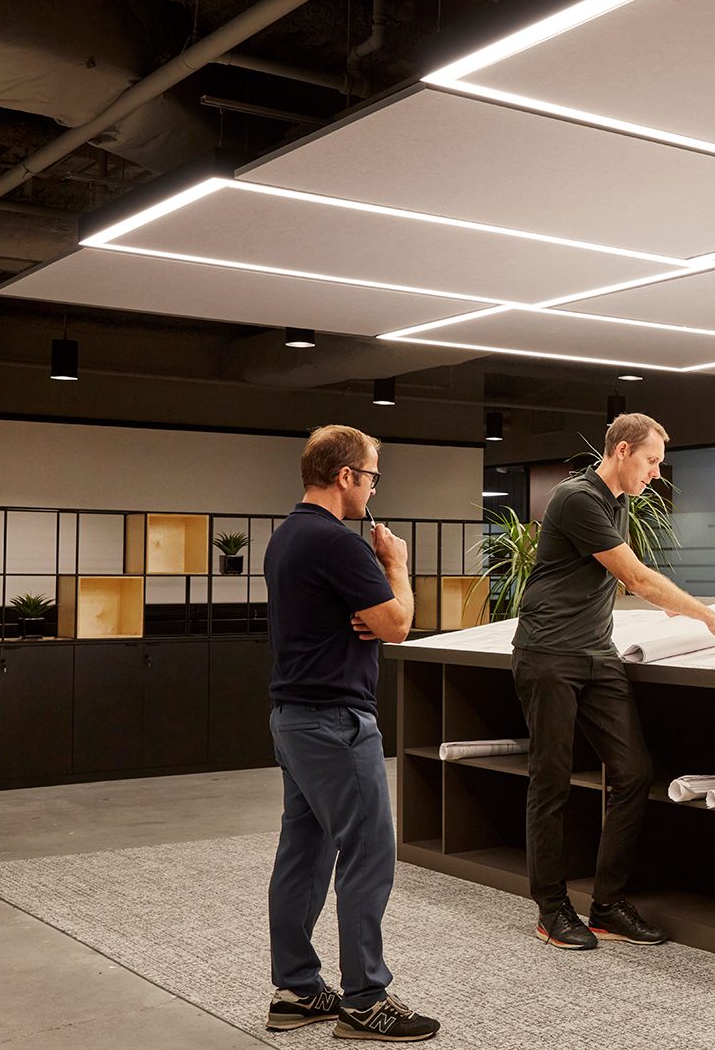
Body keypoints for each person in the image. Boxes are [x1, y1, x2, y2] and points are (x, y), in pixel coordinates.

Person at [515, 412, 715, 950]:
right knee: (549, 780)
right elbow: (636, 577)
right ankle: (551, 909)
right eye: (650, 461)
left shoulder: (620, 501)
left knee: (632, 770)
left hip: (597, 653)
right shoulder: (577, 498)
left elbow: (620, 579)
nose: (655, 474)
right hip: (549, 653)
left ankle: (607, 904)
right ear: (622, 452)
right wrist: (709, 616)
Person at [261, 424, 440, 1042]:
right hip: (336, 722)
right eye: (371, 476)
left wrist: (367, 610)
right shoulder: (339, 544)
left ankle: (297, 989)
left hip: (293, 717)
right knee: (368, 853)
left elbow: (357, 620)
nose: (371, 487)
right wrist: (398, 567)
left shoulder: (286, 537)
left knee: (304, 852)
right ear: (346, 476)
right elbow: (396, 626)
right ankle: (365, 1000)